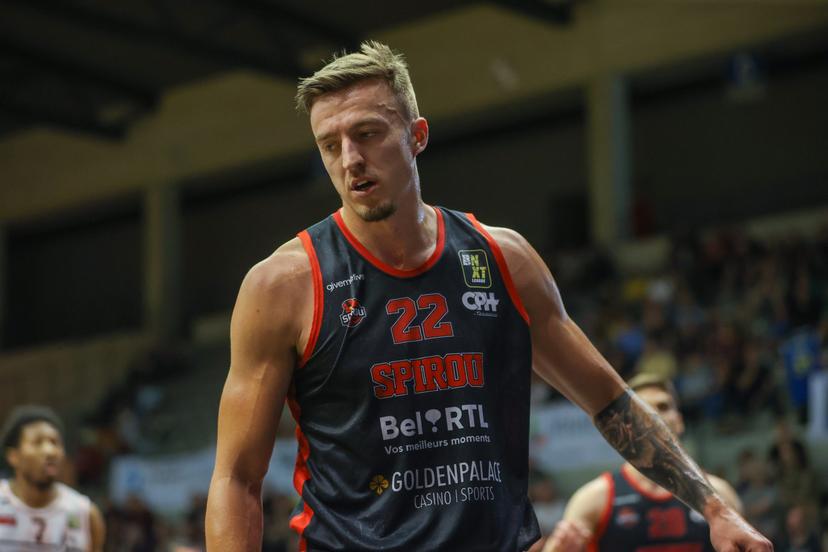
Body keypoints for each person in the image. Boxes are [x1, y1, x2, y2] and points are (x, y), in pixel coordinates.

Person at [205, 41, 772, 551]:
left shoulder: (503, 259)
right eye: (330, 145)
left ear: (417, 135)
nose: (350, 159)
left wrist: (715, 508)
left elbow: (610, 400)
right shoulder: (282, 285)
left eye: (368, 134)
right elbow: (237, 478)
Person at [541, 373, 743, 552]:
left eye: (663, 406)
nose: (654, 416)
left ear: (680, 421)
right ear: (626, 426)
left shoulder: (720, 494)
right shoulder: (595, 498)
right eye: (642, 409)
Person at [0, 405, 105, 551]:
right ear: (13, 456)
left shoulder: (86, 514)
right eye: (37, 442)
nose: (50, 451)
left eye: (55, 443)